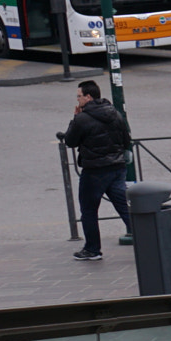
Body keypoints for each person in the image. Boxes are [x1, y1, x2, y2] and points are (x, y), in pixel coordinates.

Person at [63, 79, 132, 263]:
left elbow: (70, 141)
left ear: (88, 96)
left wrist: (74, 119)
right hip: (117, 167)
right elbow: (126, 140)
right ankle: (147, 238)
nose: (77, 100)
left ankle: (93, 249)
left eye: (79, 96)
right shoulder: (114, 113)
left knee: (89, 210)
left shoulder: (82, 118)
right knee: (124, 206)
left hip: (94, 171)